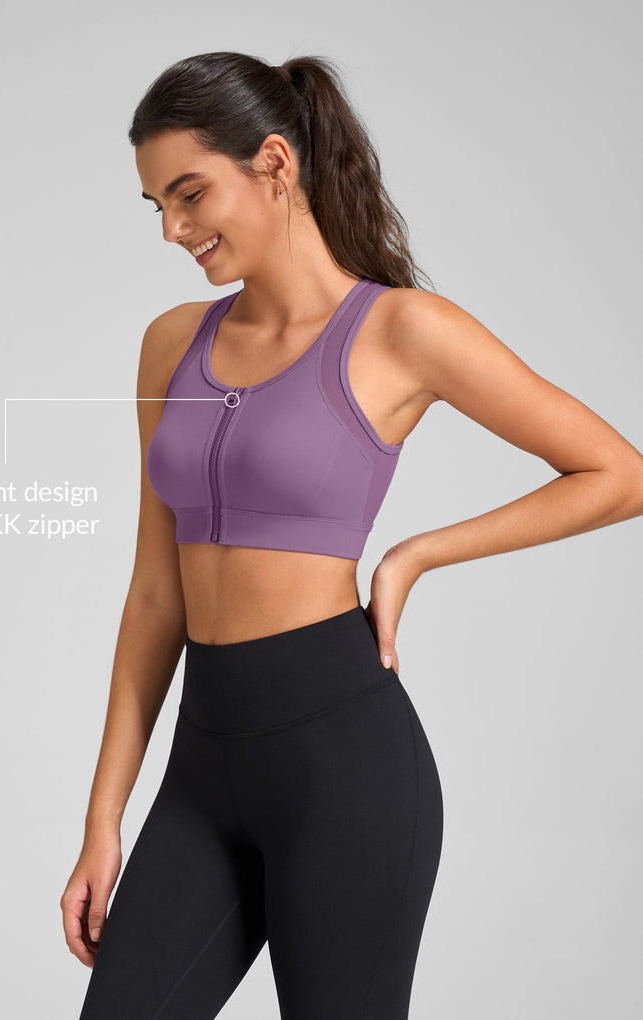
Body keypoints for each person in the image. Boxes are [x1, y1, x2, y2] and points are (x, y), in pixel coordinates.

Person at [60, 51, 643, 1019]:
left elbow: (619, 474)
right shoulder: (171, 345)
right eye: (157, 206)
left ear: (274, 163)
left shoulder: (401, 332)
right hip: (202, 769)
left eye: (190, 195)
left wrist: (416, 555)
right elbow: (155, 594)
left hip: (343, 769)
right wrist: (102, 821)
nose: (172, 229)